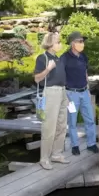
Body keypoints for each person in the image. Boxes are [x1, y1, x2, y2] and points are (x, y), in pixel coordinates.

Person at [34, 32, 70, 170]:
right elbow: (37, 79)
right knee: (49, 127)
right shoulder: (42, 58)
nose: (60, 44)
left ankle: (56, 154)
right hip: (51, 92)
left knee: (61, 125)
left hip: (62, 92)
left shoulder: (58, 58)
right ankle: (44, 159)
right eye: (58, 42)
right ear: (50, 43)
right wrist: (48, 69)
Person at [61, 31, 99, 155]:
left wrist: (87, 89)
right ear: (73, 43)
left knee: (90, 120)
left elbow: (85, 73)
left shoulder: (84, 57)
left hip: (84, 93)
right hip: (71, 94)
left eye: (83, 41)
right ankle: (75, 145)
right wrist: (64, 95)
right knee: (72, 121)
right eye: (80, 41)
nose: (82, 44)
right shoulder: (64, 58)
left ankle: (91, 144)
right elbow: (60, 77)